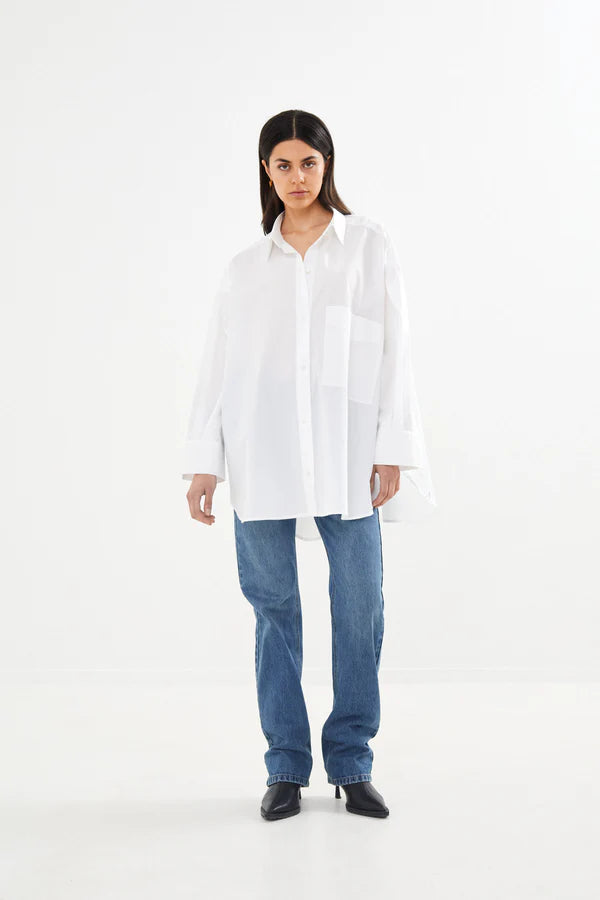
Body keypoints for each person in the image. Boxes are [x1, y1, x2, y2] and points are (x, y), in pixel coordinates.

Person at [181, 109, 436, 821]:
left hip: (348, 459)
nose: (297, 177)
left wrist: (392, 447)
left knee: (360, 608)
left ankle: (352, 761)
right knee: (274, 613)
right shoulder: (244, 270)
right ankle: (286, 765)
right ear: (266, 172)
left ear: (328, 166)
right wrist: (204, 463)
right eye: (283, 164)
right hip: (260, 456)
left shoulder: (368, 246)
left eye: (309, 163)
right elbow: (219, 369)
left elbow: (396, 350)